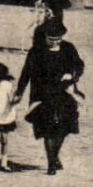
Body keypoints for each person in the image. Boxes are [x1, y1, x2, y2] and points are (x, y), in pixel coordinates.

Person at [19, 17, 85, 176]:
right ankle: (51, 164)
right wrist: (19, 93)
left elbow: (79, 65)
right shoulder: (36, 51)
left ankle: (54, 156)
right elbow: (26, 73)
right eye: (50, 39)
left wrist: (72, 76)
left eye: (58, 39)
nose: (54, 42)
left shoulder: (69, 48)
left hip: (65, 93)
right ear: (45, 35)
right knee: (48, 129)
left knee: (63, 128)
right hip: (43, 94)